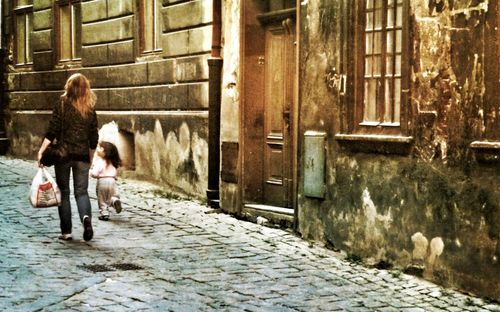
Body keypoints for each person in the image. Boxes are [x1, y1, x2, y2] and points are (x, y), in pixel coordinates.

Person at [37, 73, 98, 241]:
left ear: (68, 87)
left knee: (63, 192)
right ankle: (86, 219)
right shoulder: (90, 108)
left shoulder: (61, 104)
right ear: (86, 88)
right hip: (82, 156)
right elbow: (94, 138)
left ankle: (66, 232)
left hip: (63, 156)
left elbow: (52, 130)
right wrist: (90, 157)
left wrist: (42, 150)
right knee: (82, 192)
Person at [90, 141, 122, 221]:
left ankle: (104, 213)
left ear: (105, 151)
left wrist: (92, 173)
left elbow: (94, 173)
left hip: (102, 181)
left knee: (102, 198)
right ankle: (115, 201)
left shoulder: (100, 162)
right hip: (112, 181)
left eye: (100, 148)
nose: (98, 149)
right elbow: (114, 172)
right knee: (113, 196)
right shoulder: (113, 162)